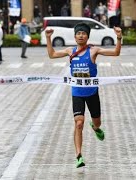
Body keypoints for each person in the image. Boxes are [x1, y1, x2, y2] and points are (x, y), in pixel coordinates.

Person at [45, 22, 122, 168]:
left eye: (83, 33)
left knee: (97, 122)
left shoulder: (93, 51)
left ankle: (95, 127)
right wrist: (48, 38)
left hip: (92, 92)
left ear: (87, 36)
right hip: (77, 92)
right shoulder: (70, 51)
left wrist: (118, 38)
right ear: (75, 37)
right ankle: (79, 156)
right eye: (78, 33)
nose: (81, 35)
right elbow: (52, 55)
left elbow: (115, 53)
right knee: (78, 123)